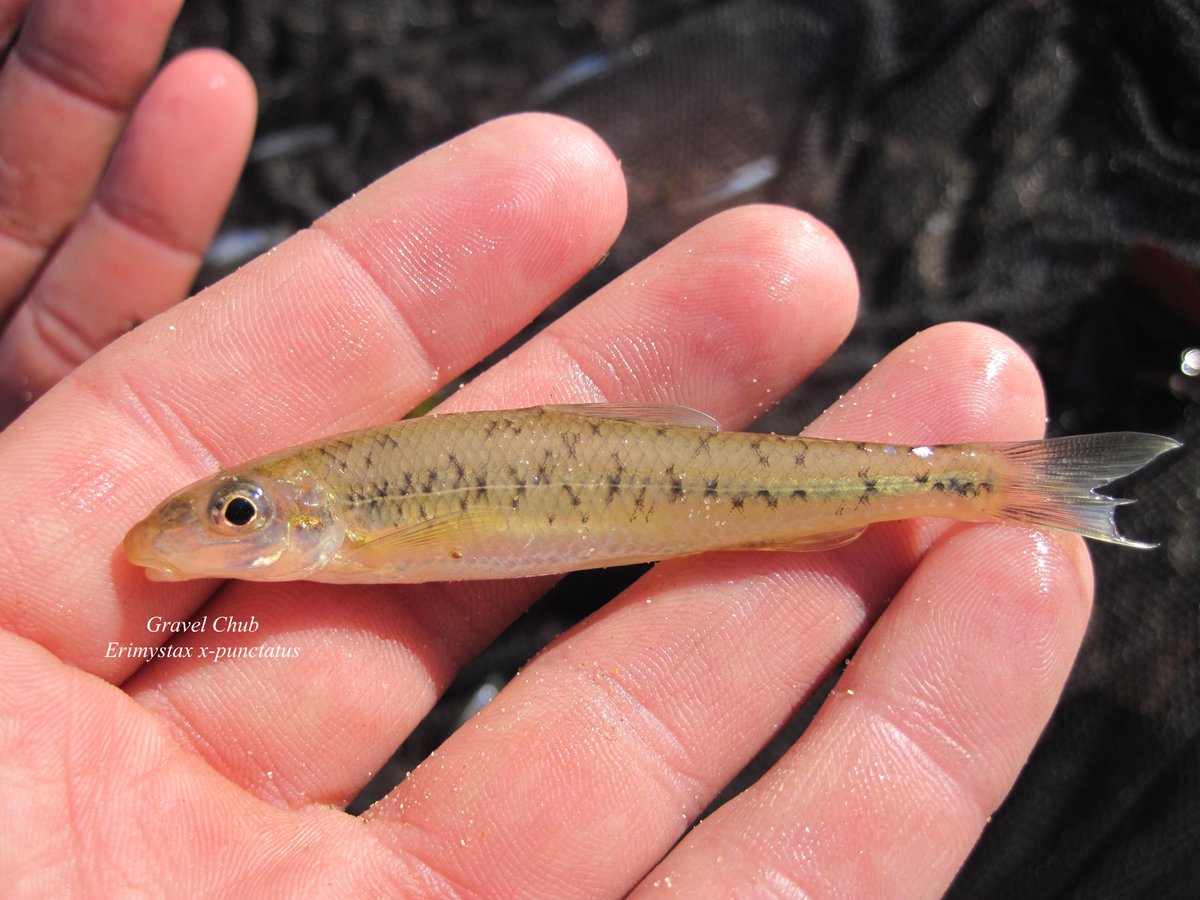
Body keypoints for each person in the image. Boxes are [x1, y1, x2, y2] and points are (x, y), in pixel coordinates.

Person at [0, 3, 1094, 895]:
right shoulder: (326, 533)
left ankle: (991, 482)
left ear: (299, 511)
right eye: (233, 514)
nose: (217, 531)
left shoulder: (355, 523)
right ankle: (991, 484)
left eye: (237, 514)